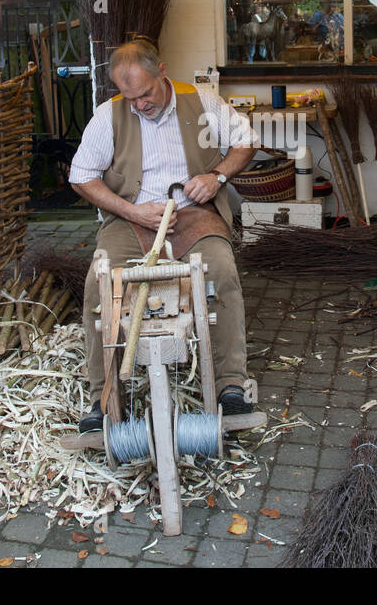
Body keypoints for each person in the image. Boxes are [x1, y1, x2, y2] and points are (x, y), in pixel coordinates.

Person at [69, 40, 257, 432]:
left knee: (220, 271)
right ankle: (103, 397)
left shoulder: (200, 103)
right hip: (132, 218)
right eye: (130, 97)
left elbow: (246, 141)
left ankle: (230, 386)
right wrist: (131, 210)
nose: (139, 104)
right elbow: (80, 175)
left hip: (193, 213)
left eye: (146, 93)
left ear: (162, 72)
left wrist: (217, 176)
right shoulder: (109, 116)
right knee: (99, 283)